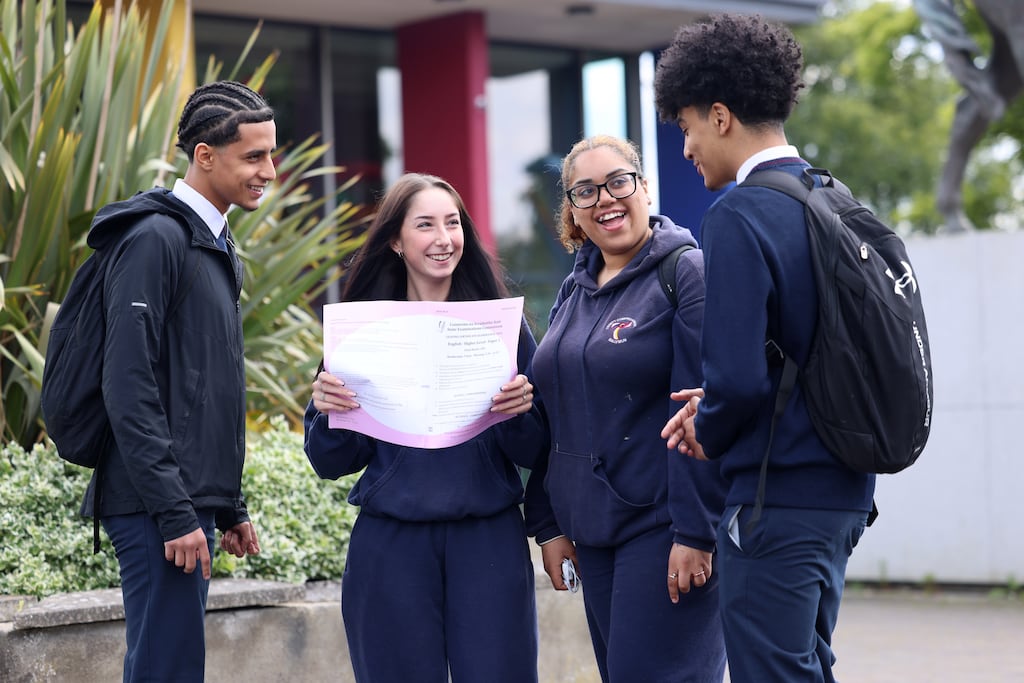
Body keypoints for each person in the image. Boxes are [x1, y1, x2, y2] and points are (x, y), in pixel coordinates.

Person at [653, 14, 875, 683]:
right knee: (803, 668)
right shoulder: (833, 197)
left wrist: (705, 424)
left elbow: (741, 381)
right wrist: (723, 398)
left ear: (720, 116)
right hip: (841, 492)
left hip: (773, 499)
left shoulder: (741, 213)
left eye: (687, 126)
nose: (687, 147)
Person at [303, 173, 548, 683]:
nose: (444, 238)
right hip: (391, 545)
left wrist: (519, 412)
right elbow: (330, 461)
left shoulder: (500, 326)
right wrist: (328, 410)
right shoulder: (362, 330)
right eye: (425, 225)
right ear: (395, 240)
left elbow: (537, 449)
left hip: (488, 541)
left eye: (453, 223)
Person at [79, 80, 270, 680]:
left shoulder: (213, 243)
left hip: (185, 503)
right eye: (254, 157)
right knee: (167, 669)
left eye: (271, 154)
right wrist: (174, 510)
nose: (269, 171)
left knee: (174, 665)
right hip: (152, 505)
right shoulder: (154, 239)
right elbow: (127, 386)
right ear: (205, 156)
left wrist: (226, 503)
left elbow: (204, 385)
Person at [523, 134, 728, 683]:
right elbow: (556, 415)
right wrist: (549, 524)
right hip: (592, 533)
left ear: (642, 186)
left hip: (662, 529)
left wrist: (696, 533)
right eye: (585, 191)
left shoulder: (685, 272)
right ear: (572, 209)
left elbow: (700, 415)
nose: (605, 200)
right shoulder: (574, 289)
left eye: (618, 181)